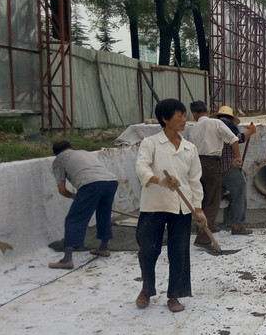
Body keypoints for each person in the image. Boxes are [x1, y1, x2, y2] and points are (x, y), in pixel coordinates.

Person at [135, 99, 207, 313]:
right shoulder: (150, 143)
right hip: (154, 205)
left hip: (181, 209)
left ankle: (174, 294)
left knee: (179, 252)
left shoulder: (189, 148)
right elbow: (141, 167)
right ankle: (147, 289)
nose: (185, 120)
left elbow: (195, 179)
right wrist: (160, 181)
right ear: (165, 119)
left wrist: (199, 208)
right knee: (148, 249)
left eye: (185, 115)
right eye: (180, 116)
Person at [48, 141, 118, 269]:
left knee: (74, 219)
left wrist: (74, 196)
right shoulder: (83, 152)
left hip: (90, 184)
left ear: (55, 153)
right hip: (111, 182)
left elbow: (62, 190)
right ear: (71, 147)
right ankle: (103, 248)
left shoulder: (58, 160)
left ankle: (67, 259)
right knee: (104, 214)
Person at [188, 100, 238, 246]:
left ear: (194, 113)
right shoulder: (215, 124)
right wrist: (238, 157)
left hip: (196, 164)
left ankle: (206, 228)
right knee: (212, 201)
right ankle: (203, 238)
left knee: (202, 199)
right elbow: (234, 139)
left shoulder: (193, 129)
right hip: (212, 163)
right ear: (207, 110)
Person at [217, 105, 257, 235]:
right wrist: (250, 132)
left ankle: (226, 221)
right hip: (229, 167)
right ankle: (237, 225)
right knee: (238, 193)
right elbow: (238, 138)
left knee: (220, 195)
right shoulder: (227, 124)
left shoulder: (214, 126)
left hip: (214, 168)